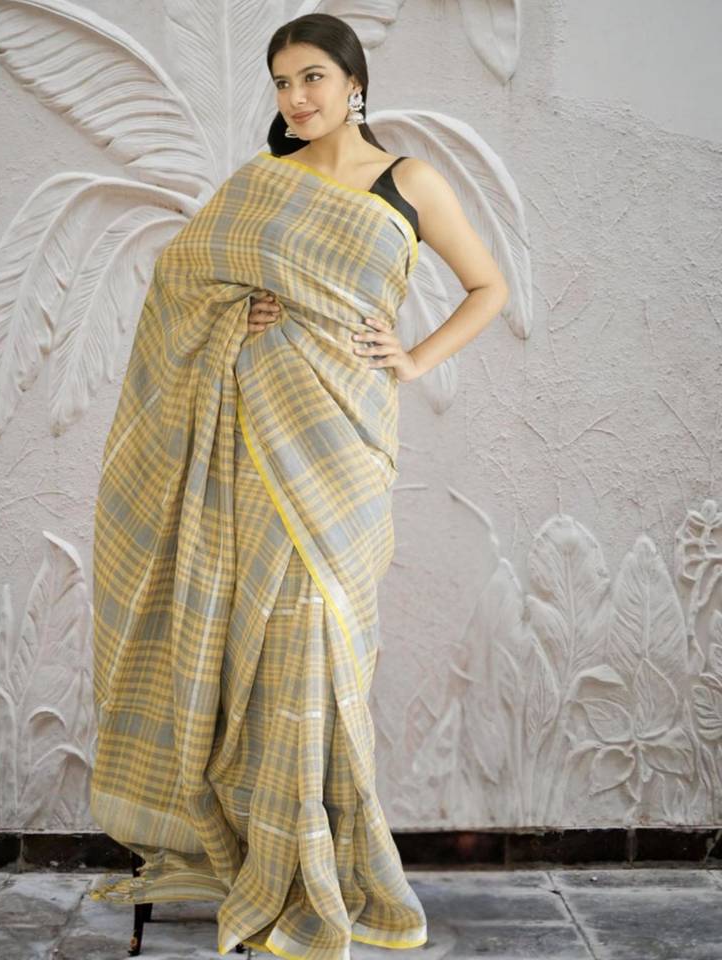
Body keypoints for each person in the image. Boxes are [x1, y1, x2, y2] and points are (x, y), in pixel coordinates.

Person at [88, 12, 509, 960]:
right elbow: (179, 282)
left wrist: (412, 358)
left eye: (313, 76)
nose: (297, 97)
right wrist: (231, 320)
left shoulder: (409, 183)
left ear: (355, 82)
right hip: (252, 440)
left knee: (326, 640)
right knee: (262, 640)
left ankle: (319, 861)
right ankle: (265, 854)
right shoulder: (260, 184)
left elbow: (489, 287)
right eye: (282, 82)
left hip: (343, 447)